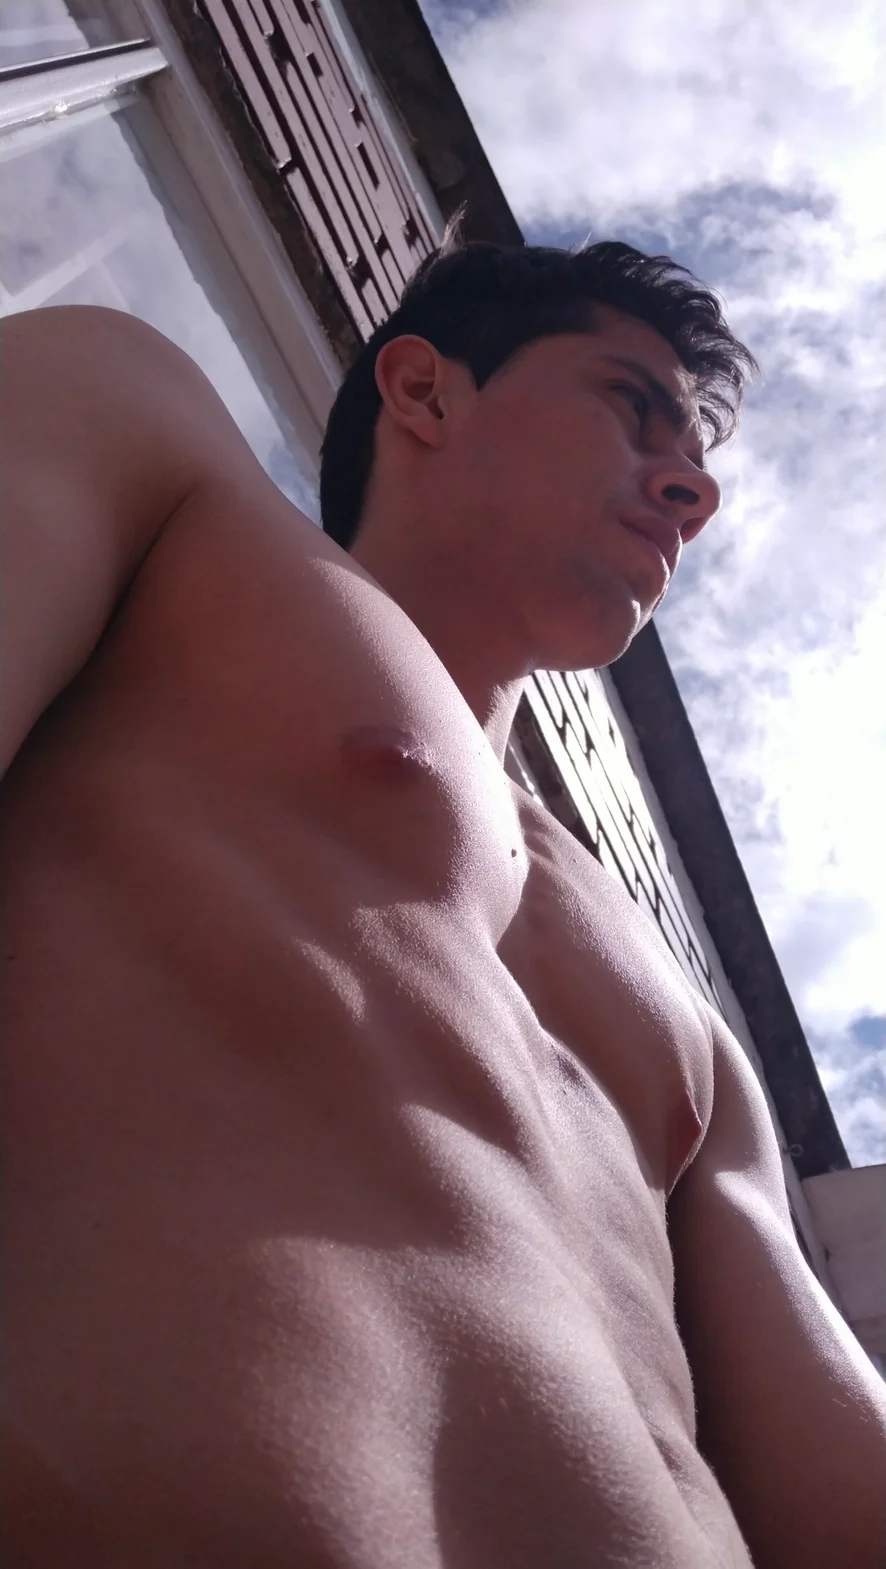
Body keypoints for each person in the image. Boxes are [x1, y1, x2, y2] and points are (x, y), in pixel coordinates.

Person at [2, 236, 883, 1569]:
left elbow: (841, 1489)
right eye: (628, 404)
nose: (692, 487)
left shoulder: (680, 1014)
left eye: (695, 455)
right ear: (422, 391)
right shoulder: (154, 448)